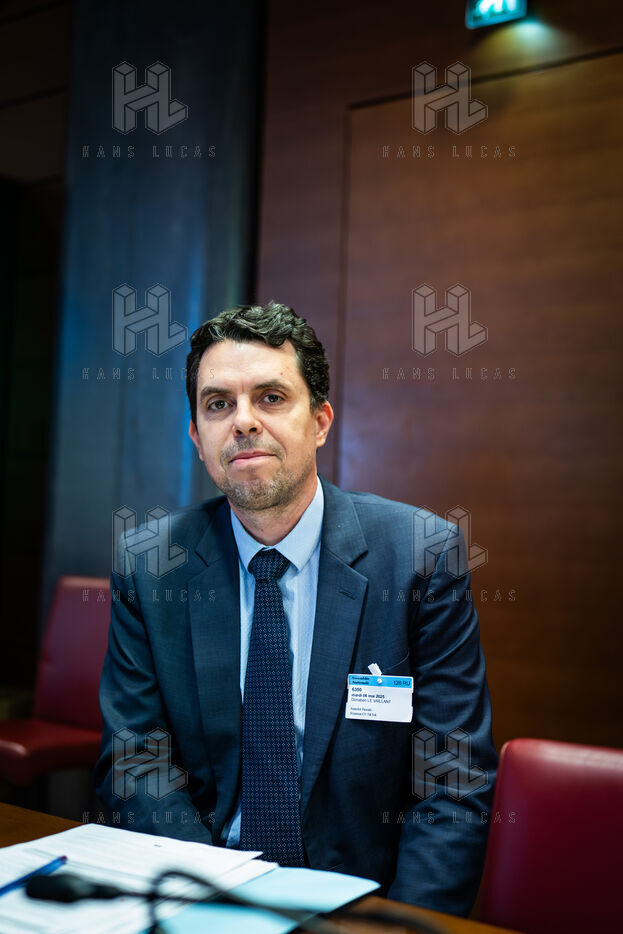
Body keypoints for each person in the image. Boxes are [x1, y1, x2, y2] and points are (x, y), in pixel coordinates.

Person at [95, 300, 497, 917]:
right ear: (197, 438)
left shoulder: (420, 557)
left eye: (272, 397)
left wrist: (402, 927)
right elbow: (135, 760)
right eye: (218, 404)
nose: (243, 422)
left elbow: (453, 780)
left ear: (320, 421)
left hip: (361, 903)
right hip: (202, 888)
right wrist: (210, 903)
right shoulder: (151, 565)